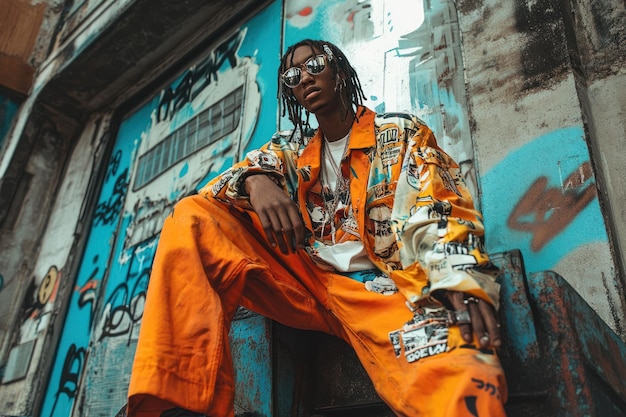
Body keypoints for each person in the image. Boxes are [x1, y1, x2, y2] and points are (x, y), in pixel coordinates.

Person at [125, 39, 508, 417]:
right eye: (293, 74)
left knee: (466, 381)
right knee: (191, 215)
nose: (304, 77)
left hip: (380, 291)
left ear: (339, 70)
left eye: (314, 65)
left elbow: (437, 205)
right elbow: (217, 191)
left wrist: (460, 278)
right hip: (304, 280)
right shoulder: (289, 152)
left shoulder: (399, 132)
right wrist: (256, 182)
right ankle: (175, 401)